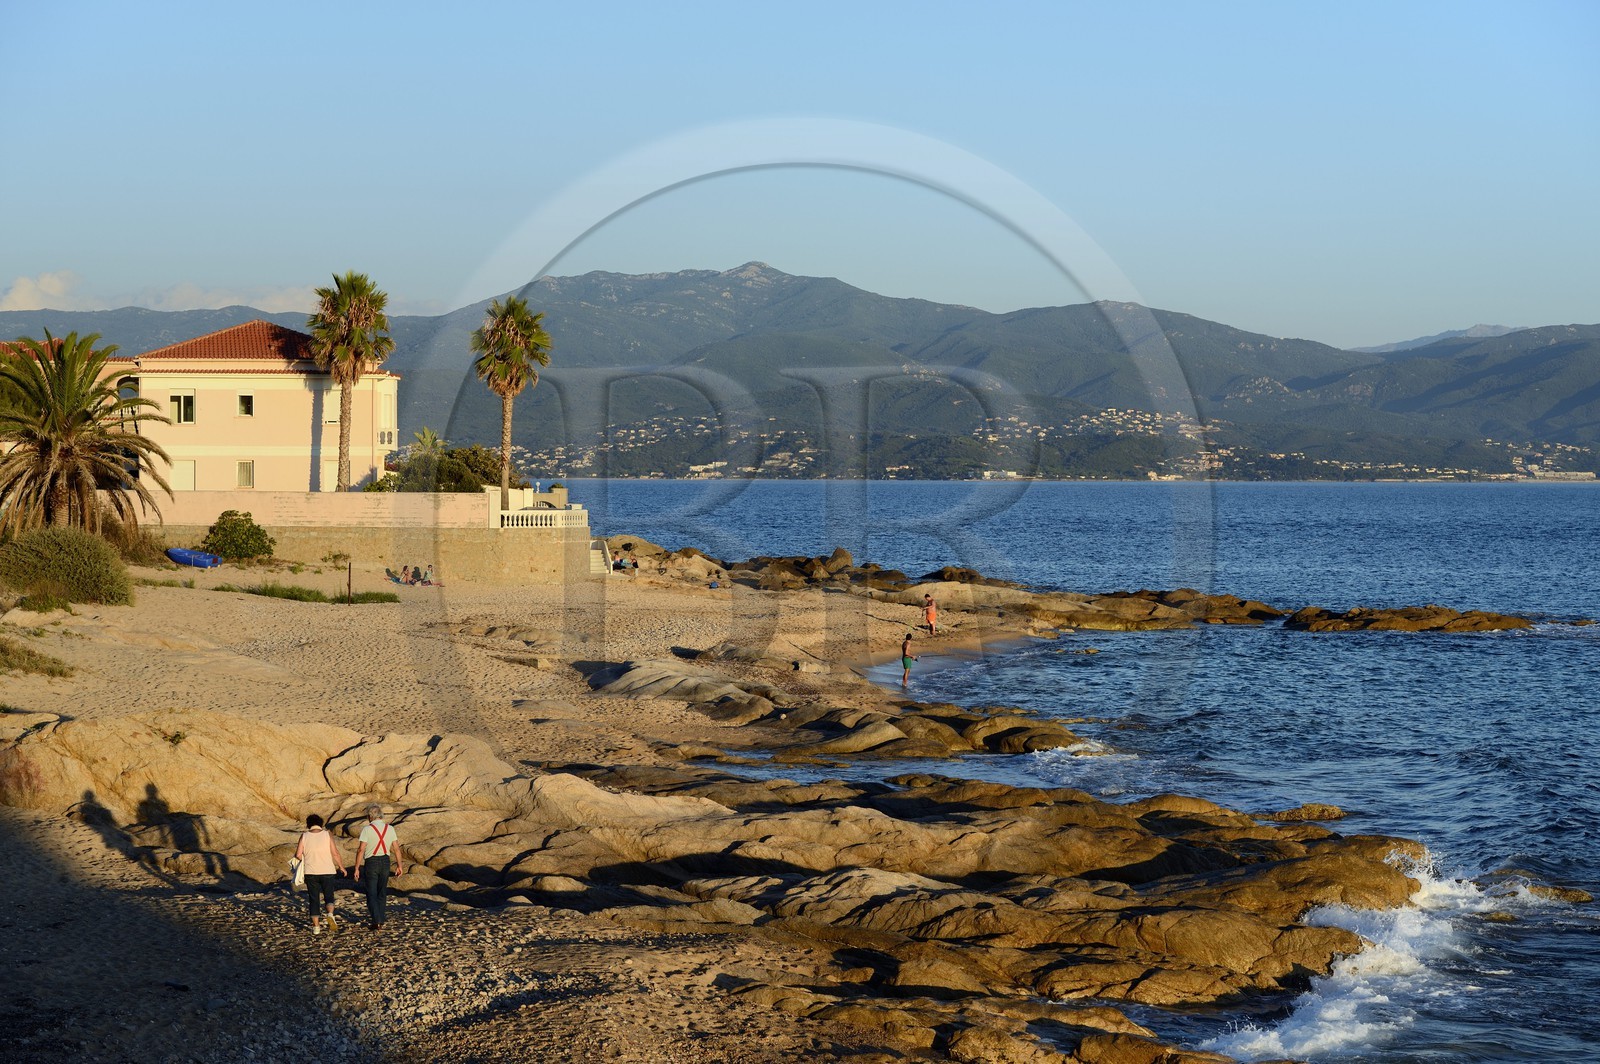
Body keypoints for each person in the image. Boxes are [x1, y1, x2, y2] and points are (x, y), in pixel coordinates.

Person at [353, 803, 404, 931]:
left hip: (371, 861)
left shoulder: (367, 829)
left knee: (371, 893)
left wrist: (357, 868)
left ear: (370, 816)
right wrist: (399, 866)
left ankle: (376, 921)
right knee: (382, 892)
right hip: (386, 861)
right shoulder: (390, 828)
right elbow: (397, 849)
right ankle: (380, 919)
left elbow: (361, 850)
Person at [294, 813, 346, 935]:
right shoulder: (327, 834)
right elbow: (335, 853)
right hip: (327, 870)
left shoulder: (304, 836)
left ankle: (316, 927)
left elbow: (298, 855)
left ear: (308, 824)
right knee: (329, 896)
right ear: (320, 824)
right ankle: (330, 914)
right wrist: (341, 867)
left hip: (311, 872)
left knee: (314, 899)